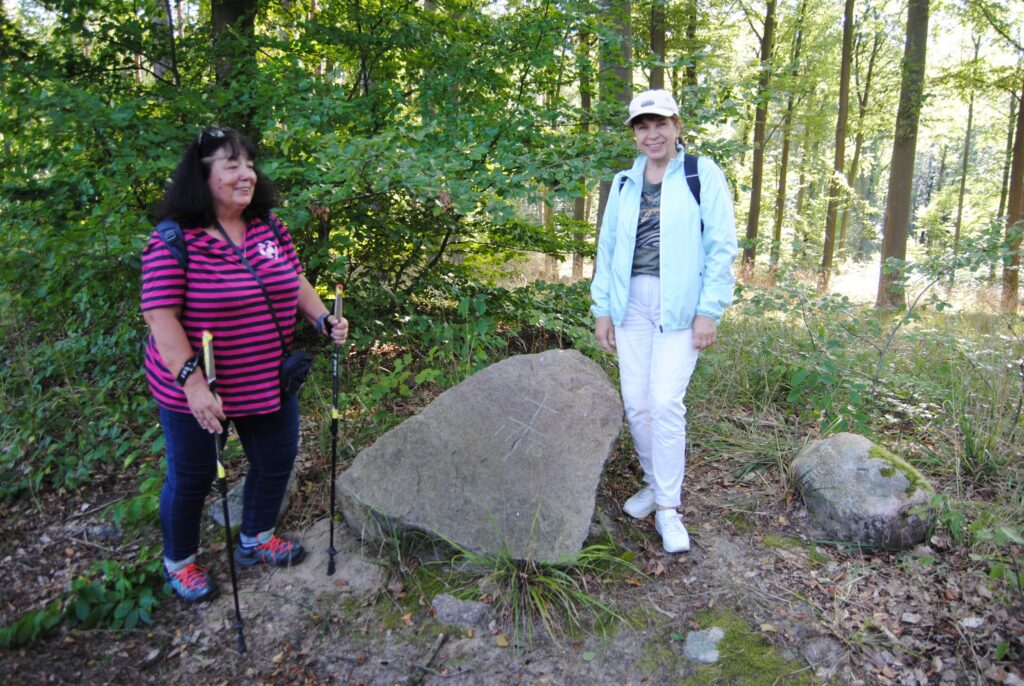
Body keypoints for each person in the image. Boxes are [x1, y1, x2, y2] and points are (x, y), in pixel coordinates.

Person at [141, 127, 349, 602]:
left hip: (264, 376)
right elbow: (160, 316)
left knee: (275, 460)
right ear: (203, 174)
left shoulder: (268, 226)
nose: (246, 174)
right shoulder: (173, 239)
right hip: (198, 385)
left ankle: (255, 537)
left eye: (249, 164)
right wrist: (193, 386)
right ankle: (181, 561)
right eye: (231, 165)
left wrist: (322, 318)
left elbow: (293, 280)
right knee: (192, 476)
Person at [591, 90, 737, 553]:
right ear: (635, 134)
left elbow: (721, 247)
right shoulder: (622, 183)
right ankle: (655, 484)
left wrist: (709, 310)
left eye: (659, 124)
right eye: (641, 126)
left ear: (676, 126)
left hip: (680, 305)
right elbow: (608, 248)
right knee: (636, 402)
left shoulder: (701, 174)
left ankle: (669, 509)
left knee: (665, 401)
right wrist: (603, 309)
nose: (651, 134)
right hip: (630, 302)